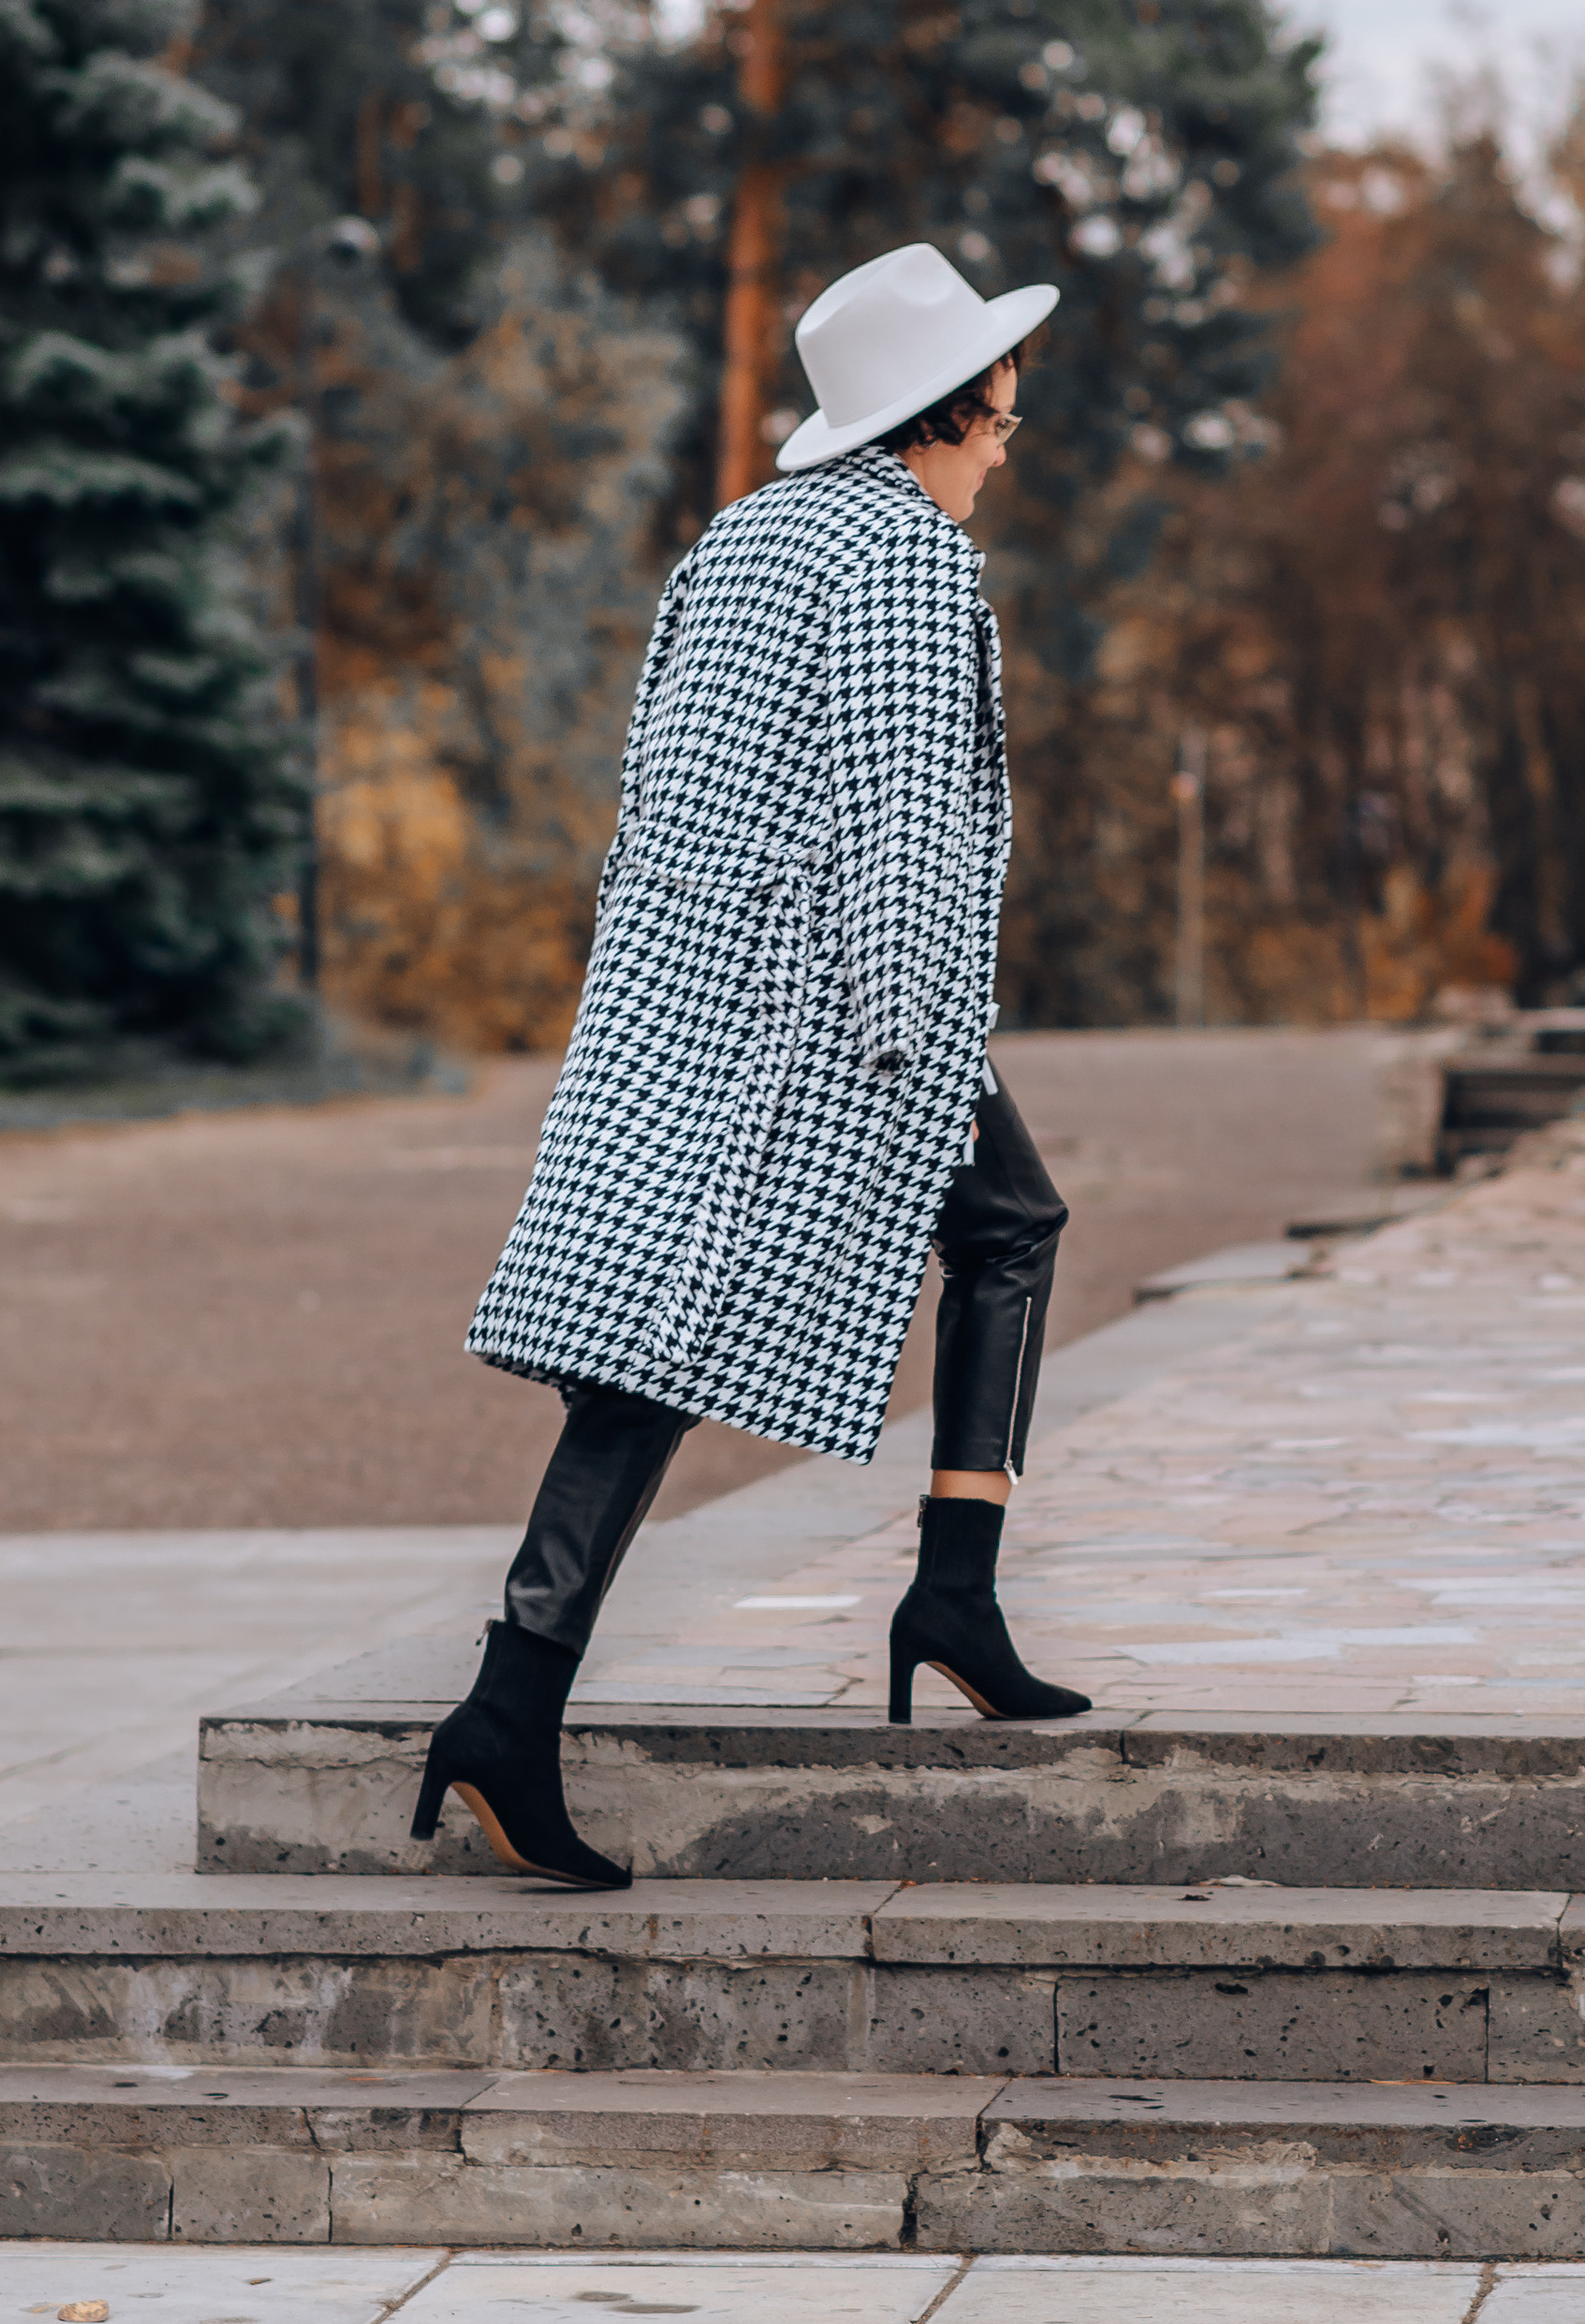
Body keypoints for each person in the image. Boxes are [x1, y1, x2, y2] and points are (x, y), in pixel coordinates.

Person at [416, 238, 1090, 1889]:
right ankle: (947, 1590)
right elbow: (906, 813)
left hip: (685, 990)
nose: (1008, 442)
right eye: (1003, 415)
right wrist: (914, 1030)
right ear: (940, 417)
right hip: (838, 1008)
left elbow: (660, 773)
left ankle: (524, 1697)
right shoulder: (907, 562)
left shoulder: (740, 538)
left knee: (662, 1331)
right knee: (993, 1230)